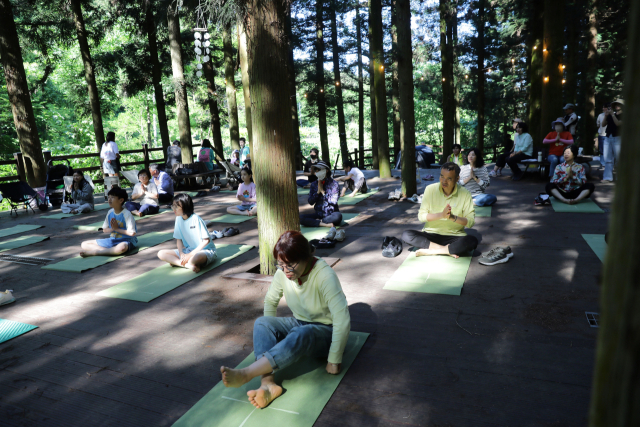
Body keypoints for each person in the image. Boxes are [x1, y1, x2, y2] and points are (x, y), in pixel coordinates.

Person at [220, 230, 350, 409]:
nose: (286, 271)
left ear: (306, 256)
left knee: (303, 331)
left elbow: (342, 320)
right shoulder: (283, 272)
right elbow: (270, 300)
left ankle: (247, 374)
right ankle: (268, 384)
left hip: (326, 331)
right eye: (281, 265)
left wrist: (334, 359)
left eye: (290, 265)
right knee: (262, 323)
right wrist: (270, 341)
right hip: (301, 324)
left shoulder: (325, 275)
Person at [402, 162, 477, 258]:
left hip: (455, 236)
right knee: (406, 235)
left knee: (472, 241)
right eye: (442, 176)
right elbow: (421, 216)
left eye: (449, 178)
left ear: (457, 179)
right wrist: (441, 215)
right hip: (430, 235)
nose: (444, 181)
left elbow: (470, 222)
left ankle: (432, 251)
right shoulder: (430, 189)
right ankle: (446, 250)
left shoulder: (465, 193)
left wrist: (452, 217)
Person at [157, 194, 217, 273]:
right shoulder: (178, 218)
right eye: (173, 206)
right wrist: (181, 253)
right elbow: (178, 239)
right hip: (188, 251)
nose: (174, 209)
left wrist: (189, 255)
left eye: (176, 207)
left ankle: (177, 262)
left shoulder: (196, 219)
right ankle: (189, 265)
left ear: (185, 206)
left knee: (196, 258)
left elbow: (206, 241)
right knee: (161, 253)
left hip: (205, 251)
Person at [79, 186, 137, 257]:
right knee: (84, 244)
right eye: (108, 197)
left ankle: (95, 252)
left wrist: (117, 229)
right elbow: (104, 229)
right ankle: (108, 251)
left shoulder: (127, 214)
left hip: (126, 241)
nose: (109, 199)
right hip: (112, 240)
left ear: (121, 200)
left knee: (122, 248)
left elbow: (132, 233)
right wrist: (113, 229)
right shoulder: (110, 212)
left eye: (112, 197)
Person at [300, 161, 342, 228]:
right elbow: (310, 202)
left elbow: (334, 201)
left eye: (319, 170)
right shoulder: (314, 184)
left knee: (338, 217)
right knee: (300, 218)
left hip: (331, 213)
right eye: (316, 170)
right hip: (318, 213)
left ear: (326, 170)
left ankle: (317, 222)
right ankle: (323, 223)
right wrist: (317, 192)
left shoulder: (334, 184)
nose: (317, 172)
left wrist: (323, 192)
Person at [602, 99, 623, 182]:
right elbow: (603, 124)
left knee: (619, 158)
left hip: (618, 138)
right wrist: (606, 115)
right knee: (607, 159)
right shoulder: (611, 114)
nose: (617, 105)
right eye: (616, 104)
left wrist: (612, 115)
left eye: (619, 104)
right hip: (608, 137)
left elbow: (618, 124)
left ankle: (620, 178)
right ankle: (607, 178)